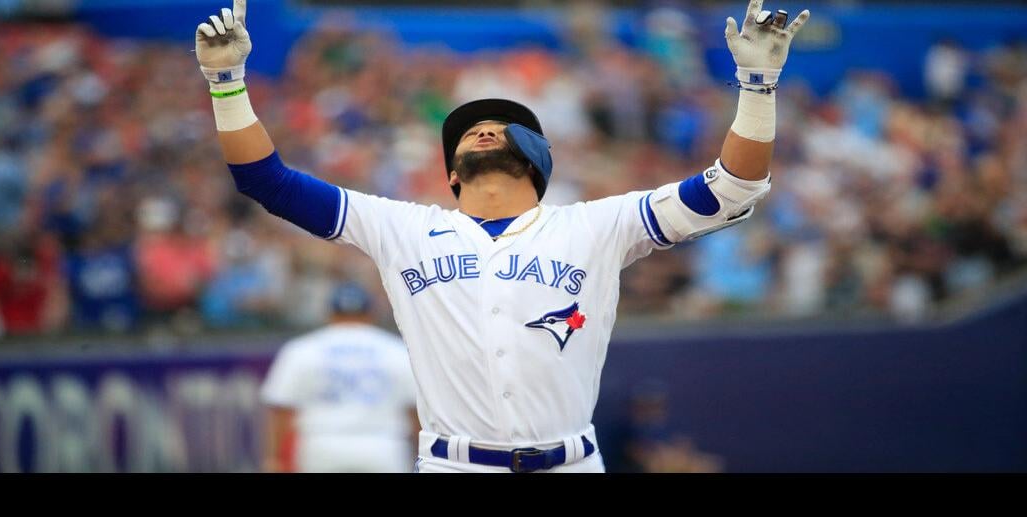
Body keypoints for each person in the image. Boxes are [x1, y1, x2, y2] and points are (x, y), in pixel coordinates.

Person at [195, 0, 809, 472]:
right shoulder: (403, 227)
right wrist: (226, 84)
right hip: (452, 462)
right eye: (469, 129)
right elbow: (265, 181)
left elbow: (732, 187)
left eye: (504, 126)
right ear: (453, 173)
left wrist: (756, 89)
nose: (483, 128)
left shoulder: (595, 224)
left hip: (571, 459)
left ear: (540, 159)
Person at [260, 281, 418, 472]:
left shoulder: (303, 349)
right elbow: (415, 410)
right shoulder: (396, 349)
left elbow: (281, 409)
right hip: (382, 444)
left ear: (330, 313)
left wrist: (274, 458)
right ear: (370, 313)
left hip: (322, 443)